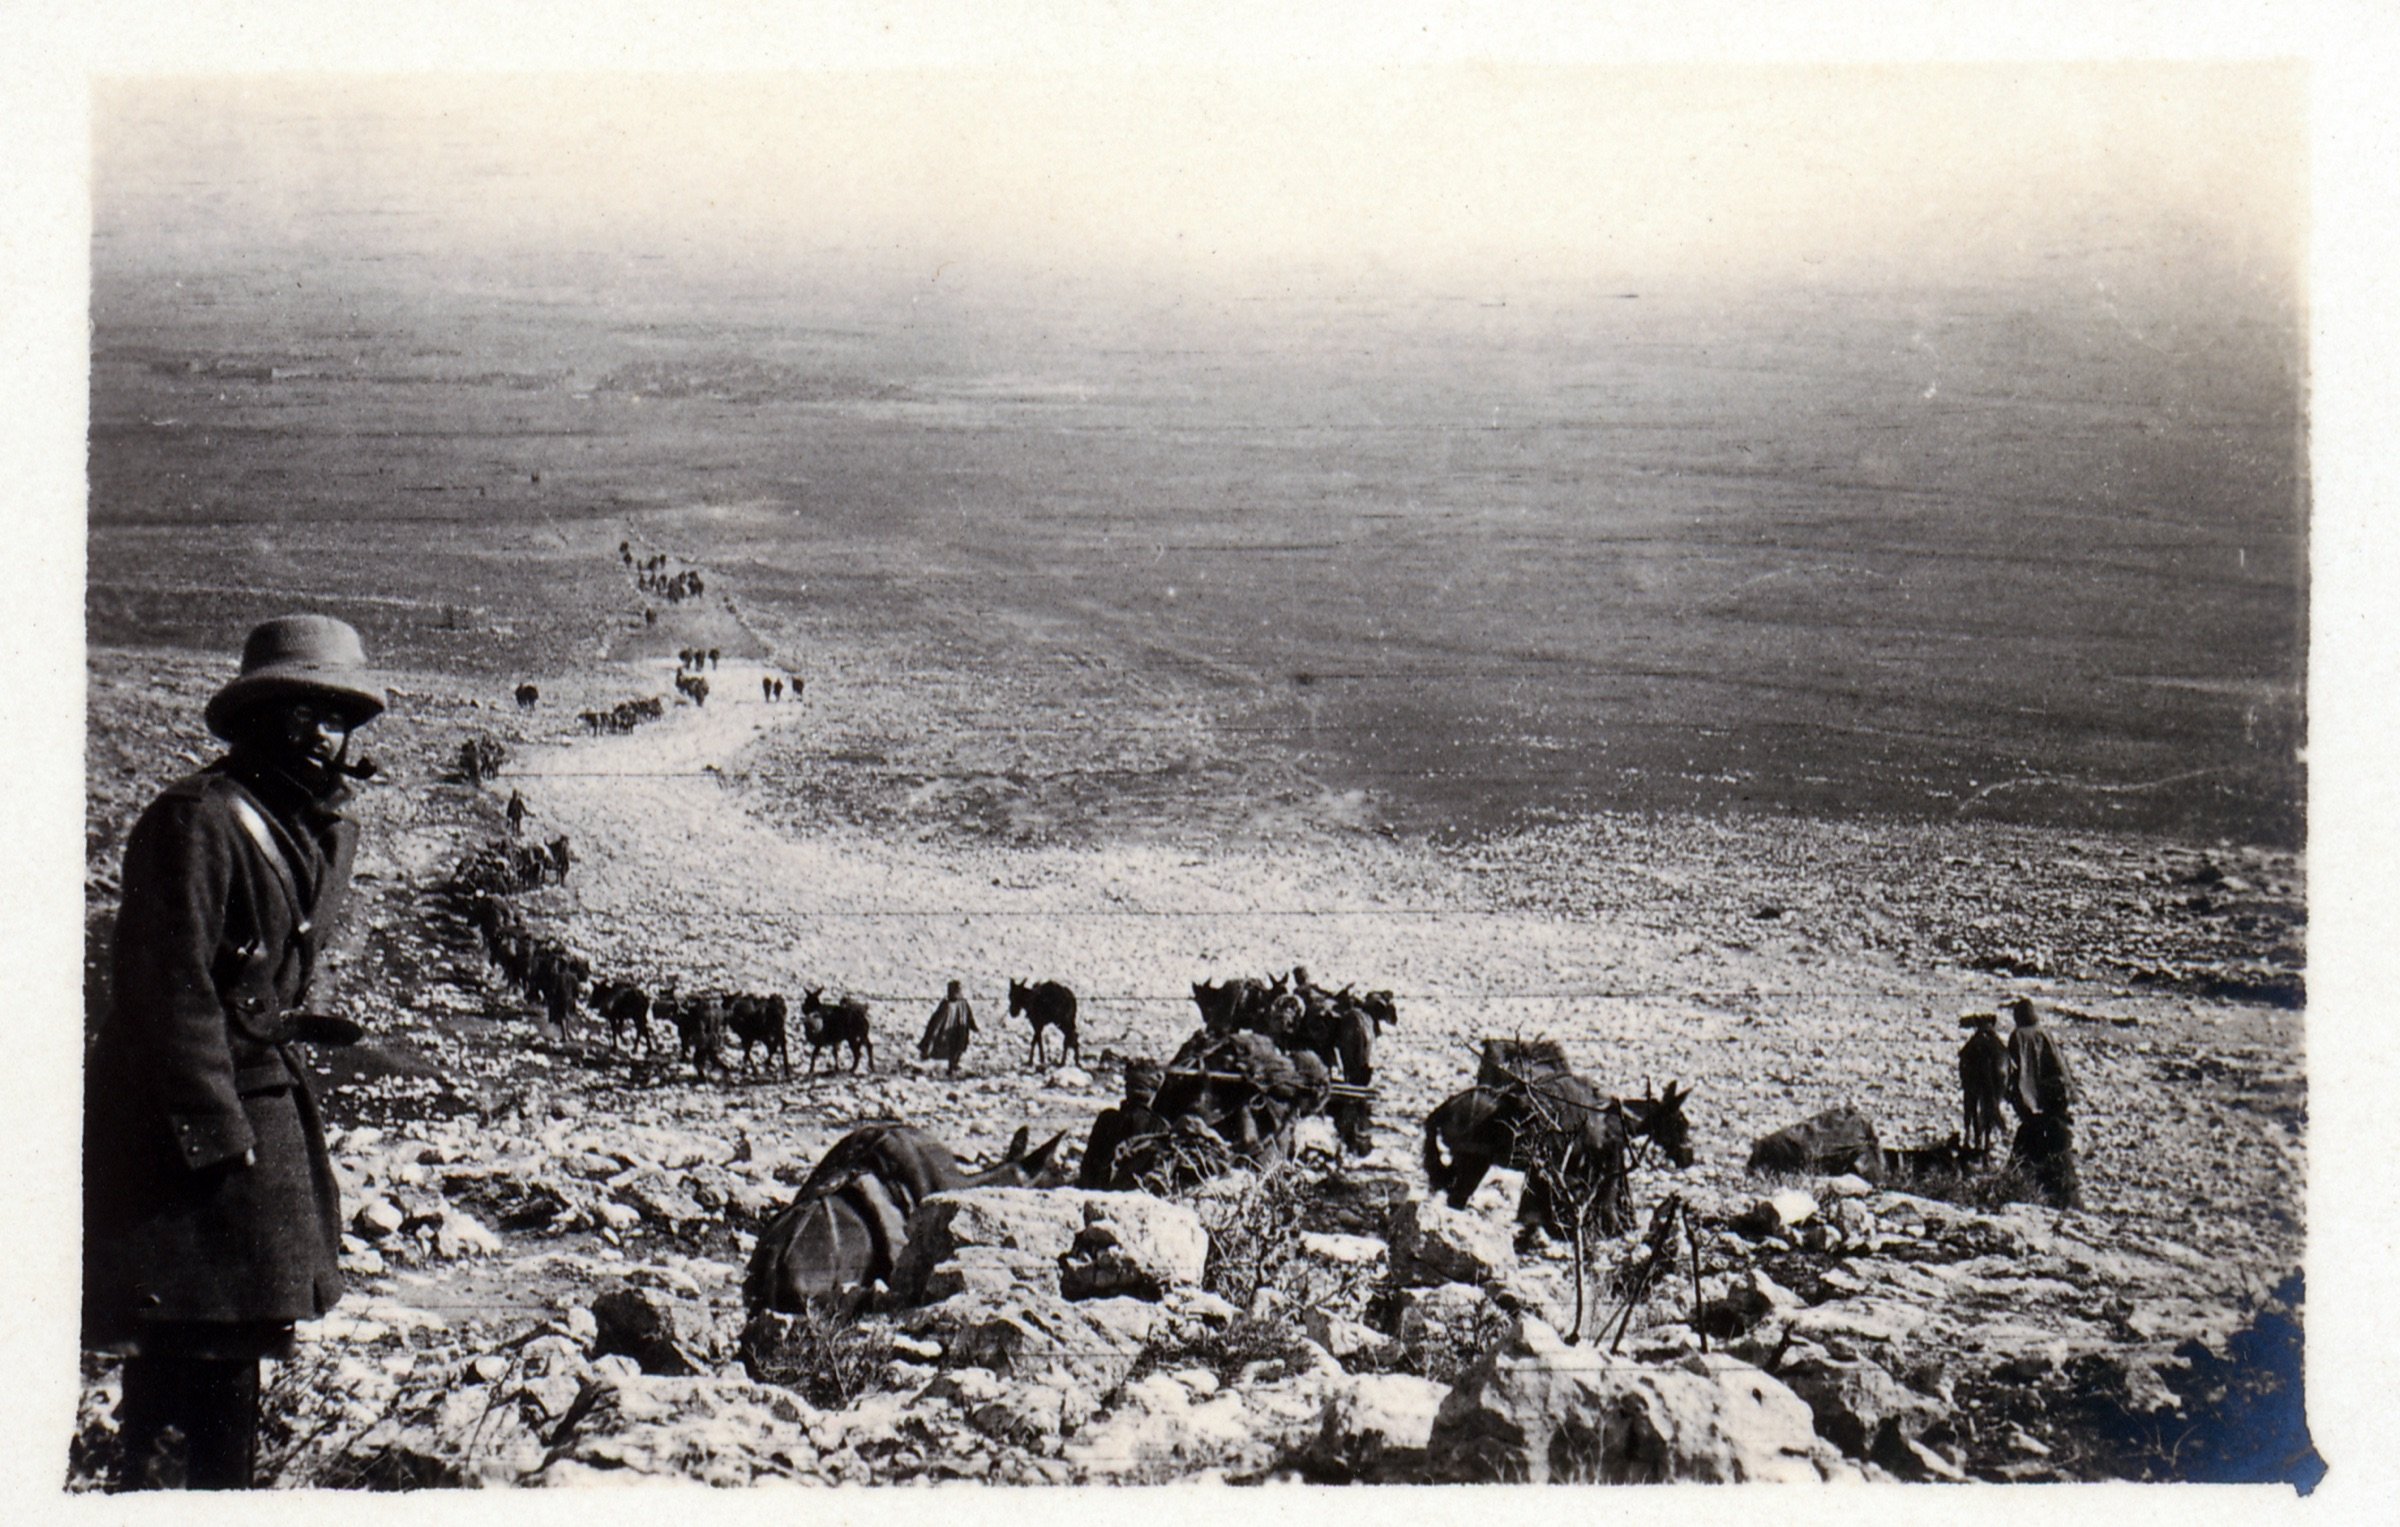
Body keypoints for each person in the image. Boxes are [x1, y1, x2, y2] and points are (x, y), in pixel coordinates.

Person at [82, 615, 389, 1490]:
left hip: (253, 1117)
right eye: (314, 715)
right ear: (269, 719)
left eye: (344, 721)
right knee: (184, 1356)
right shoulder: (200, 821)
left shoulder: (307, 824)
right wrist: (218, 1138)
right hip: (191, 1138)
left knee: (231, 1362)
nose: (334, 739)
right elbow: (166, 991)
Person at [2002, 996, 2082, 1209]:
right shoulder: (2045, 1034)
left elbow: (2014, 1073)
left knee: (2024, 1156)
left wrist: (2016, 1098)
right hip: (2053, 1108)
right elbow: (2060, 1067)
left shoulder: (2017, 1036)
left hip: (2032, 1108)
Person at [1078, 1058, 1167, 1189]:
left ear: (1127, 1088)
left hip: (1098, 1188)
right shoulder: (1160, 1126)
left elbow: (1087, 1167)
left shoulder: (1107, 1119)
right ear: (1154, 1091)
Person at [1957, 1011, 2011, 1155]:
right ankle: (1987, 1144)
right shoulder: (1999, 1046)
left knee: (1970, 1099)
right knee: (1990, 1103)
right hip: (2000, 1073)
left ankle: (1970, 1139)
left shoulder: (1972, 1045)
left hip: (1971, 1077)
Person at [918, 979, 977, 1077]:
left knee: (958, 1048)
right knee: (950, 1048)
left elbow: (969, 1016)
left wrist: (973, 1026)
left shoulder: (963, 1003)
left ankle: (953, 1065)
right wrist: (928, 1043)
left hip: (960, 1031)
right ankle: (951, 1067)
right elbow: (935, 1023)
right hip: (947, 1034)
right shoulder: (946, 1005)